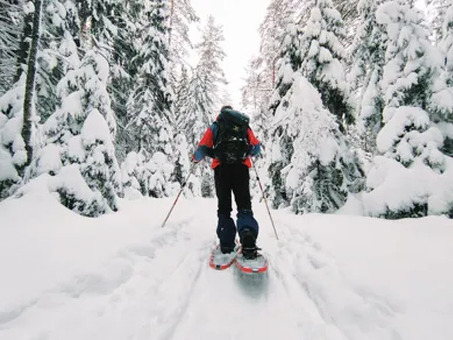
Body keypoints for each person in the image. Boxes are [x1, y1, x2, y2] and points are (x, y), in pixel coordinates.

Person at [193, 105, 261, 259]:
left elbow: (203, 148)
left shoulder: (216, 126)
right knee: (244, 206)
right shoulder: (243, 125)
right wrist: (247, 151)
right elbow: (256, 148)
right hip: (241, 168)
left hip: (221, 169)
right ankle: (248, 237)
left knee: (224, 208)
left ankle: (226, 242)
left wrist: (195, 159)